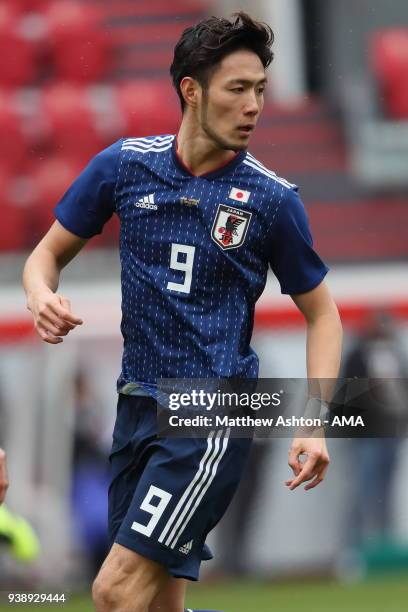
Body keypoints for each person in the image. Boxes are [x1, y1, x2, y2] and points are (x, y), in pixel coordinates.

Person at [23, 12, 342, 612]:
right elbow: (44, 258)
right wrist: (42, 295)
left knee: (113, 593)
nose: (254, 106)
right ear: (191, 91)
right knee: (153, 604)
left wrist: (316, 419)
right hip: (135, 406)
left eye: (261, 91)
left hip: (212, 414)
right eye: (237, 89)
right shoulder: (124, 166)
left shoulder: (271, 200)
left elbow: (324, 315)